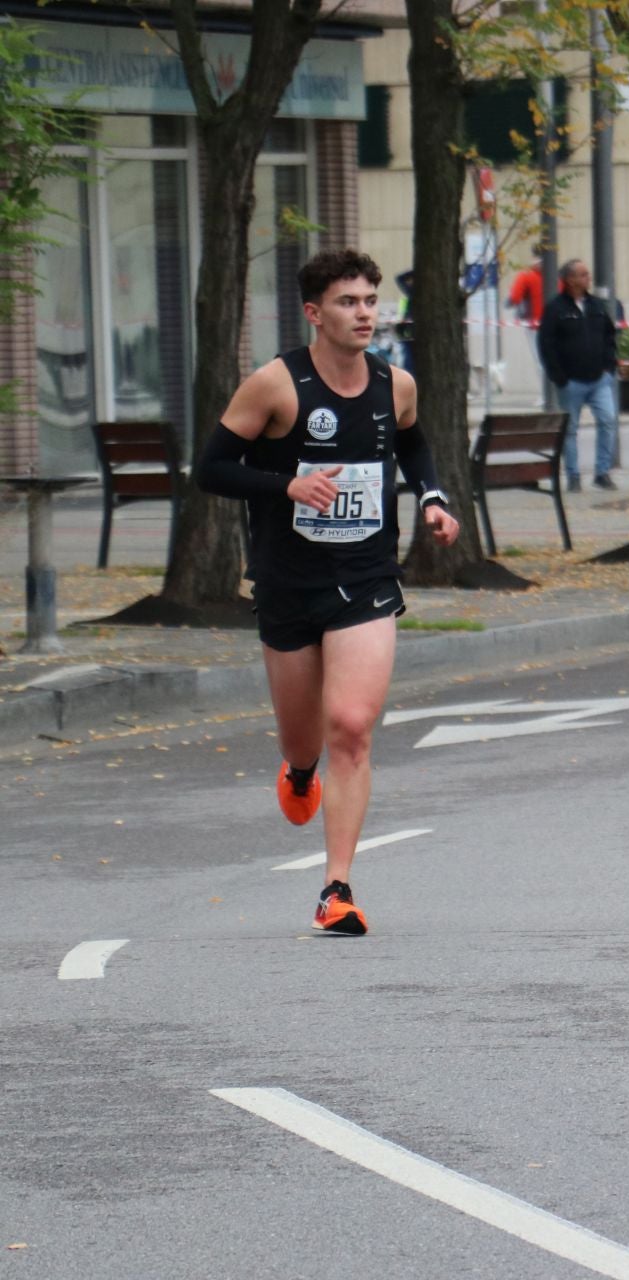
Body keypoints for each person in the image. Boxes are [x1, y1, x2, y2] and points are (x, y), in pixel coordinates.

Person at [194, 249, 460, 935]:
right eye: (348, 302)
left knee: (351, 726)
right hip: (287, 581)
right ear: (314, 313)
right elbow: (212, 469)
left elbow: (414, 444)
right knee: (304, 737)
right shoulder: (275, 386)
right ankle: (300, 769)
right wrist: (285, 484)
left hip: (366, 577)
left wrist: (432, 497)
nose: (364, 313)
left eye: (370, 300)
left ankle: (335, 887)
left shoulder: (395, 383)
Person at [537, 258, 620, 492]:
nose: (588, 278)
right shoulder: (556, 309)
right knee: (570, 429)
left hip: (599, 379)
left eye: (587, 274)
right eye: (583, 274)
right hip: (571, 382)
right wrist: (558, 376)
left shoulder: (596, 306)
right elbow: (546, 344)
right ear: (570, 279)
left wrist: (609, 367)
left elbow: (609, 336)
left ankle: (602, 472)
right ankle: (573, 475)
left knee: (607, 420)